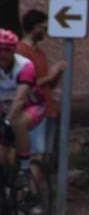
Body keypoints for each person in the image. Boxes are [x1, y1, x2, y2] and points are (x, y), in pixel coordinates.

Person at [17, 9, 66, 169]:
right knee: (34, 155)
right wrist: (50, 76)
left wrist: (56, 74)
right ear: (35, 26)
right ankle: (27, 193)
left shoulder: (40, 53)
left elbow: (49, 85)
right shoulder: (21, 51)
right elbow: (24, 85)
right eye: (43, 27)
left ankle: (32, 191)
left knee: (42, 156)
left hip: (47, 110)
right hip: (32, 111)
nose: (45, 30)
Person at [0, 28, 47, 187]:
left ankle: (25, 169)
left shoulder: (25, 66)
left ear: (14, 50)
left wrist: (6, 122)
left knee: (17, 122)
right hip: (5, 109)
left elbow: (20, 99)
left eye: (7, 50)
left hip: (32, 107)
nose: (2, 54)